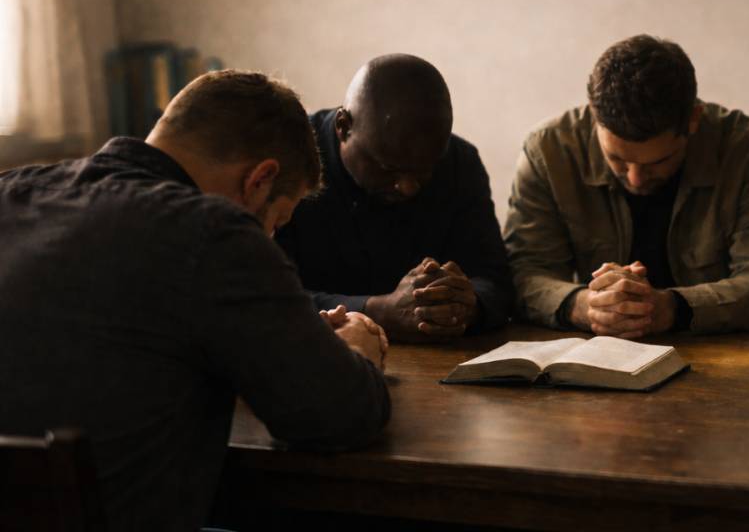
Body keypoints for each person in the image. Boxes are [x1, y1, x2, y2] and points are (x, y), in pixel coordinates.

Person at [0, 71, 391, 531]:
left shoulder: (11, 192)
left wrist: (290, 344)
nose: (271, 238)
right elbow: (338, 416)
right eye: (277, 222)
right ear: (259, 181)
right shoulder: (213, 232)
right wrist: (355, 352)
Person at [505, 34, 749, 337]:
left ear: (693, 120)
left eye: (657, 162)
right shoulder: (548, 152)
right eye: (617, 159)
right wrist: (586, 306)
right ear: (595, 119)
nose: (635, 178)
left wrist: (672, 308)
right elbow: (525, 273)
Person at [275, 54, 513, 342]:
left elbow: (497, 281)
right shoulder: (289, 158)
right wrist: (377, 311)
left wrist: (466, 303)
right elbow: (268, 297)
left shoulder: (460, 163)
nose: (408, 187)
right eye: (388, 169)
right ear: (343, 127)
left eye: (425, 172)